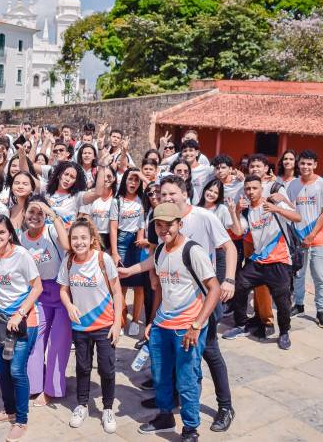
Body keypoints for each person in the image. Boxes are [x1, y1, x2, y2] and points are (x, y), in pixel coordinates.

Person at [137, 203, 221, 442]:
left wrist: (196, 325)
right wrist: (152, 321)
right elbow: (161, 291)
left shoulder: (193, 251)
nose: (164, 230)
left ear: (180, 224)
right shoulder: (160, 251)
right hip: (162, 326)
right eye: (159, 225)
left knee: (187, 379)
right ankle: (165, 416)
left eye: (169, 225)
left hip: (187, 327)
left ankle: (190, 429)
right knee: (160, 375)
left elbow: (214, 289)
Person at [222, 176, 301, 350]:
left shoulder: (274, 202)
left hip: (280, 260)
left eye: (254, 188)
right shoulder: (246, 210)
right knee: (239, 286)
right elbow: (238, 231)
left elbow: (297, 217)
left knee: (282, 300)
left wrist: (277, 209)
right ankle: (241, 325)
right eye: (247, 189)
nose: (251, 192)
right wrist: (234, 211)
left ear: (261, 189)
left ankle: (284, 332)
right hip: (258, 260)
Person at [58, 218, 122, 434]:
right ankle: (82, 405)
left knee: (107, 369)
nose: (79, 242)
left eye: (83, 237)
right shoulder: (68, 261)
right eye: (75, 238)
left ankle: (107, 408)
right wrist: (69, 306)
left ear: (92, 239)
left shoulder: (103, 259)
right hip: (80, 327)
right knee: (83, 367)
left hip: (105, 326)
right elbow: (63, 290)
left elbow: (117, 292)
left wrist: (117, 323)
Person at [0, 215, 43, 442]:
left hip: (24, 321)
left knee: (17, 370)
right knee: (1, 367)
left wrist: (20, 313)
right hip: (2, 321)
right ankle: (8, 410)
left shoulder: (22, 255)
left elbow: (37, 288)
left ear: (10, 233)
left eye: (1, 232)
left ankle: (21, 420)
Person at [21, 196, 71, 407]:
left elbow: (67, 245)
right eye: (31, 212)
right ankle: (33, 385)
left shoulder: (52, 230)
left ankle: (52, 389)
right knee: (35, 340)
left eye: (39, 213)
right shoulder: (21, 239)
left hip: (61, 292)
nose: (35, 217)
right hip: (38, 294)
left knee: (58, 342)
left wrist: (51, 214)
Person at [288, 150, 323, 329]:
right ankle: (299, 304)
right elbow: (290, 209)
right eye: (302, 163)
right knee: (299, 274)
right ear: (298, 165)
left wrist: (312, 234)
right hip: (299, 238)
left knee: (320, 276)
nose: (305, 166)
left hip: (318, 238)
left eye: (309, 163)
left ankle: (321, 311)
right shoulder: (293, 185)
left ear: (315, 165)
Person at [110, 168, 147, 337]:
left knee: (139, 285)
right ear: (124, 180)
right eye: (130, 179)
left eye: (136, 180)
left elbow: (142, 223)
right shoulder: (117, 201)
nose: (133, 183)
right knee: (122, 284)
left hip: (138, 242)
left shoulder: (142, 200)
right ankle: (121, 318)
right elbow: (113, 227)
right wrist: (115, 251)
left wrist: (141, 176)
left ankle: (135, 321)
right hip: (122, 241)